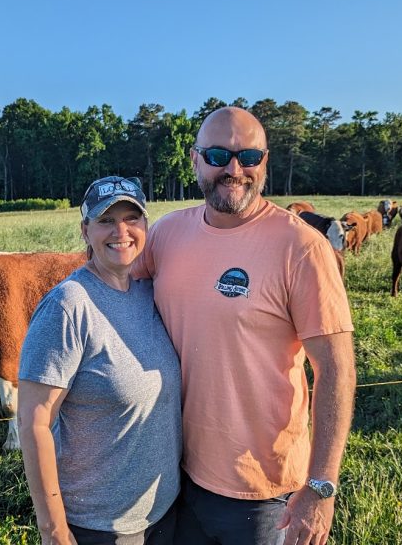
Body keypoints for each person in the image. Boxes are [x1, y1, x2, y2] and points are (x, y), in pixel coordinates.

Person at [133, 107, 357, 545]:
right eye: (218, 155)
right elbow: (111, 285)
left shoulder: (301, 248)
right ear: (195, 160)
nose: (234, 169)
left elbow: (337, 371)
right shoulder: (166, 236)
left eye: (248, 156)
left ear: (264, 162)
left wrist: (320, 487)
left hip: (264, 492)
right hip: (176, 475)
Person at [19, 176, 182, 545]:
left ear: (145, 226)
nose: (120, 231)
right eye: (106, 220)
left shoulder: (148, 292)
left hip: (164, 511)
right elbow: (33, 421)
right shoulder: (68, 305)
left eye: (131, 218)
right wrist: (54, 530)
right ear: (85, 230)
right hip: (100, 525)